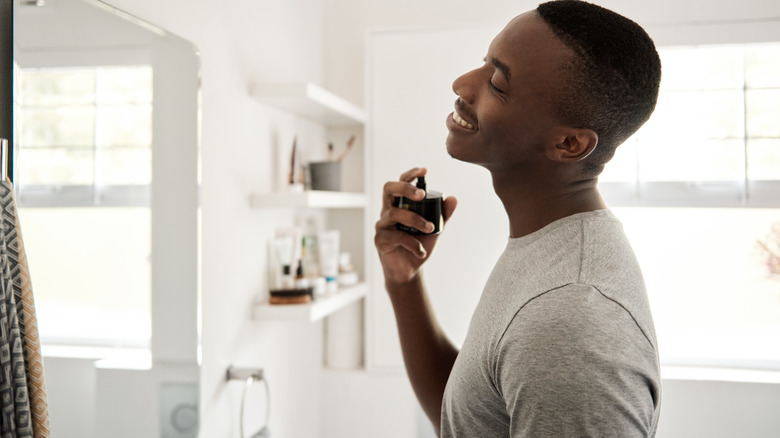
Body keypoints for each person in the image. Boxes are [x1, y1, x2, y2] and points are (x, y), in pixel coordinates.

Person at [374, 1, 662, 437]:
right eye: (483, 62)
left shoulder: (572, 322)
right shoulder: (548, 249)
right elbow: (471, 419)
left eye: (497, 83)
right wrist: (404, 282)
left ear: (569, 143)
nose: (462, 85)